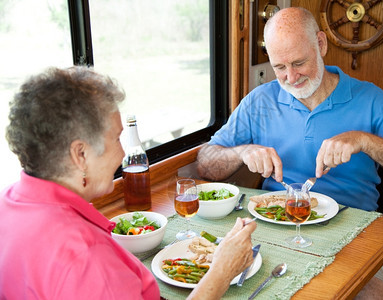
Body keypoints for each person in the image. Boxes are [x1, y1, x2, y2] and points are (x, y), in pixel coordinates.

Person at [196, 7, 383, 300]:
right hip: (272, 231)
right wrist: (242, 152)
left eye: (299, 62)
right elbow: (205, 164)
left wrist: (365, 141)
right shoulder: (259, 101)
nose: (290, 77)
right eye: (279, 67)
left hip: (354, 238)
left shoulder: (371, 100)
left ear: (321, 44)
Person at [0, 66, 257, 300]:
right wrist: (221, 273)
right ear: (80, 155)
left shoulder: (8, 204)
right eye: (116, 139)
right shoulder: (87, 259)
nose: (123, 154)